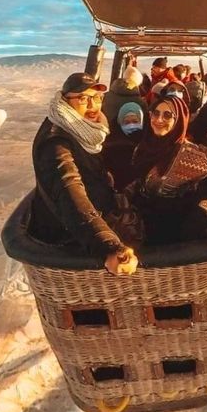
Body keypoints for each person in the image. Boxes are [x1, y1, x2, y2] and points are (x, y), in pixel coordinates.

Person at [30, 72, 138, 275]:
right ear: (65, 100)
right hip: (71, 239)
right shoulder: (56, 144)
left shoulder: (82, 131)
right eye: (83, 99)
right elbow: (70, 193)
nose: (93, 106)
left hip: (90, 222)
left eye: (97, 98)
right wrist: (109, 246)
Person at [129, 95, 207, 245]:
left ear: (179, 120)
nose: (159, 119)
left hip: (175, 233)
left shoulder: (188, 153)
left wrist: (200, 216)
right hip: (141, 229)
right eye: (155, 113)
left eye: (167, 115)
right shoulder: (142, 148)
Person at [102, 102, 145, 192]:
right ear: (120, 123)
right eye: (126, 122)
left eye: (135, 121)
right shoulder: (111, 146)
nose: (131, 125)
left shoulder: (148, 141)